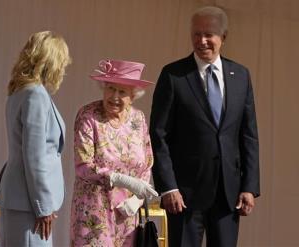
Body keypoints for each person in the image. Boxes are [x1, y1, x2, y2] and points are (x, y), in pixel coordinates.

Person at [149, 6, 260, 247]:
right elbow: (158, 135)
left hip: (227, 194)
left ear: (224, 37)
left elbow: (248, 135)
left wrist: (249, 186)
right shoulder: (174, 75)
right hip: (184, 195)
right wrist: (168, 187)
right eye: (197, 34)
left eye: (209, 34)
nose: (202, 41)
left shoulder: (240, 75)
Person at [0, 31, 71, 247]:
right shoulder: (35, 94)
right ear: (52, 62)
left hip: (21, 199)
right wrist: (43, 206)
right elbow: (34, 157)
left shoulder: (19, 91)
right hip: (29, 203)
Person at [70, 59, 158, 247]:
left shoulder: (138, 119)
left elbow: (147, 162)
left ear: (133, 95)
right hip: (94, 212)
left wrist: (137, 199)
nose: (114, 96)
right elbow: (83, 166)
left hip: (127, 214)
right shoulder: (88, 116)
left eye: (122, 92)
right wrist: (121, 179)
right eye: (110, 88)